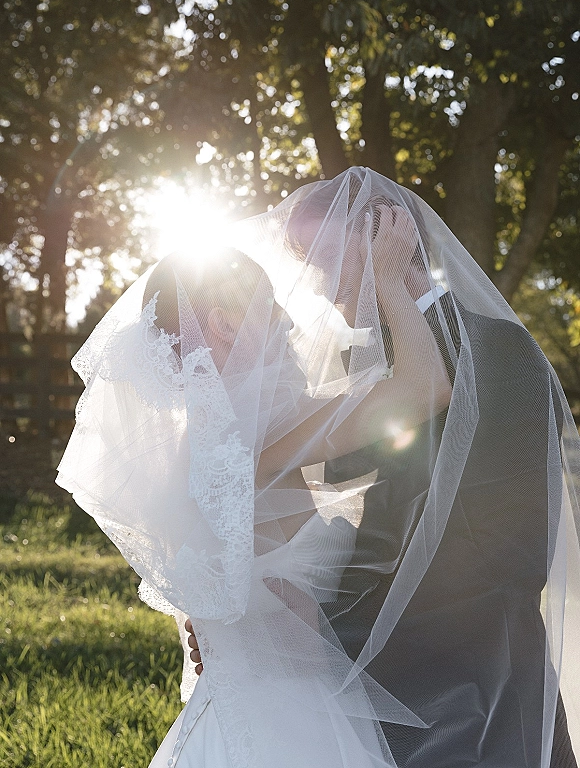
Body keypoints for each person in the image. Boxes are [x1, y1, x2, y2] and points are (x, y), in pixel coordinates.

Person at [182, 167, 580, 767]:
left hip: (439, 671)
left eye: (320, 259)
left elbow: (500, 520)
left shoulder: (490, 353)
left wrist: (311, 627)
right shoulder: (474, 346)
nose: (314, 286)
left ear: (381, 238)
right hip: (474, 662)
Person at [56, 212, 451, 768]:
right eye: (271, 305)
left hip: (236, 713)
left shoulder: (194, 445)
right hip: (294, 723)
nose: (290, 322)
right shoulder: (256, 435)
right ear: (220, 325)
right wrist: (387, 278)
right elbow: (425, 386)